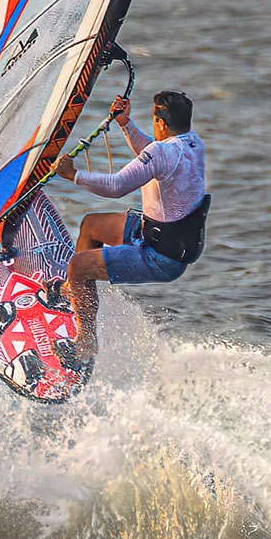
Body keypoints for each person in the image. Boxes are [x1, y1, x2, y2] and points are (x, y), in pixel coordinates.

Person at [50, 90, 210, 354]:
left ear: (161, 123)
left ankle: (86, 343)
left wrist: (73, 175)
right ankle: (74, 294)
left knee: (78, 266)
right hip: (163, 237)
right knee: (91, 226)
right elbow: (154, 153)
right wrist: (125, 123)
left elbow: (117, 186)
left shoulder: (162, 152)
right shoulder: (193, 144)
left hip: (160, 256)